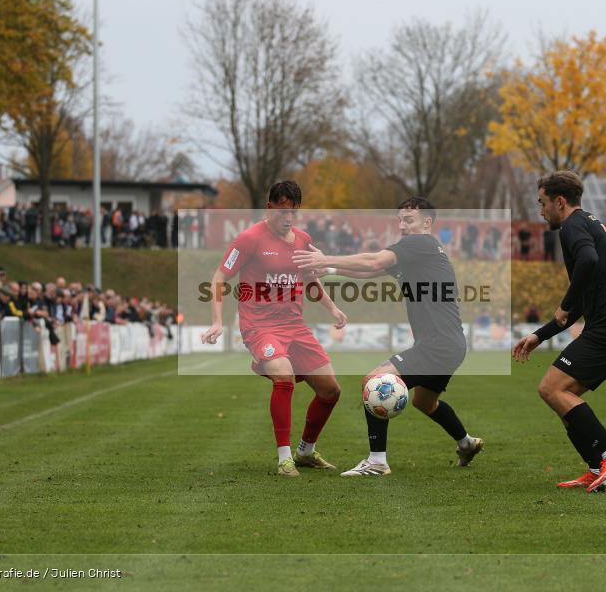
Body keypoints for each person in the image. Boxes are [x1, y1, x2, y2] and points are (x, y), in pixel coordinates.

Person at [293, 197, 483, 477]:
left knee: (374, 381)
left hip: (438, 345)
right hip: (450, 344)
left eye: (409, 220)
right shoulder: (420, 252)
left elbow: (374, 260)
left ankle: (377, 461)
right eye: (400, 220)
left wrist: (326, 258)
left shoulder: (420, 243)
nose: (402, 226)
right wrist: (330, 269)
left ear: (427, 223)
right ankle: (466, 443)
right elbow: (373, 270)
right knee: (424, 402)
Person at [201, 181, 347, 477]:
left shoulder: (303, 240)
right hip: (259, 326)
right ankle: (284, 459)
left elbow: (309, 279)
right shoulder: (249, 239)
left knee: (330, 390)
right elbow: (219, 277)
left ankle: (305, 452)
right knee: (284, 376)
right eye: (283, 211)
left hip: (294, 326)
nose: (288, 218)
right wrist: (217, 320)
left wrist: (332, 308)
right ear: (269, 208)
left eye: (294, 211)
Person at [513, 171, 606, 493]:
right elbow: (583, 297)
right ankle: (597, 465)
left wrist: (566, 302)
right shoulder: (589, 223)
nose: (540, 211)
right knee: (562, 395)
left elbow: (587, 261)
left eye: (542, 203)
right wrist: (540, 335)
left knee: (551, 388)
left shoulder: (572, 226)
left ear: (560, 201)